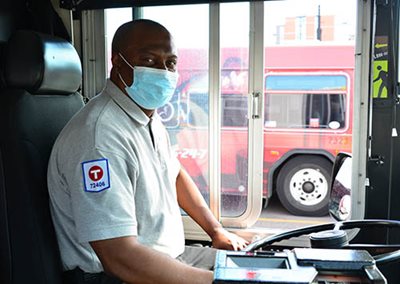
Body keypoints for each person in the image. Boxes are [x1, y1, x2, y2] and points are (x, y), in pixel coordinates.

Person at [47, 19, 248, 284]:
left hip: (163, 257)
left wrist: (216, 231)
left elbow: (173, 174)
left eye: (170, 62)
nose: (164, 72)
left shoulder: (145, 117)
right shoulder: (99, 139)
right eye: (149, 61)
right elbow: (118, 257)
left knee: (255, 267)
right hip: (114, 275)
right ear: (117, 62)